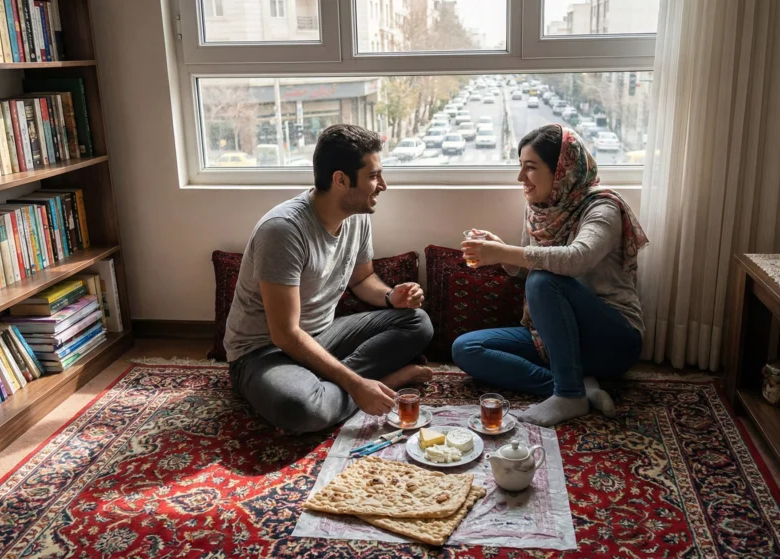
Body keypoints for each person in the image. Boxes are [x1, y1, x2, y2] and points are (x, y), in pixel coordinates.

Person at [224, 124, 434, 433]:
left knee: (417, 322)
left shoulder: (358, 216)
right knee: (302, 409)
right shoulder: (283, 230)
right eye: (374, 176)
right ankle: (384, 381)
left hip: (322, 335)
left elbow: (363, 280)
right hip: (262, 352)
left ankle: (333, 385)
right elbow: (284, 335)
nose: (383, 185)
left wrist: (392, 297)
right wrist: (356, 384)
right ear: (340, 180)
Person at [452, 125, 648, 427]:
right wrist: (501, 250)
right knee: (466, 349)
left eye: (530, 168)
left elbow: (574, 260)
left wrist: (504, 253)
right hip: (554, 338)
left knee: (544, 280)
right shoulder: (540, 209)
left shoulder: (603, 207)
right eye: (520, 167)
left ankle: (568, 394)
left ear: (560, 170)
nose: (521, 178)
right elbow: (532, 269)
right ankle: (581, 388)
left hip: (612, 340)